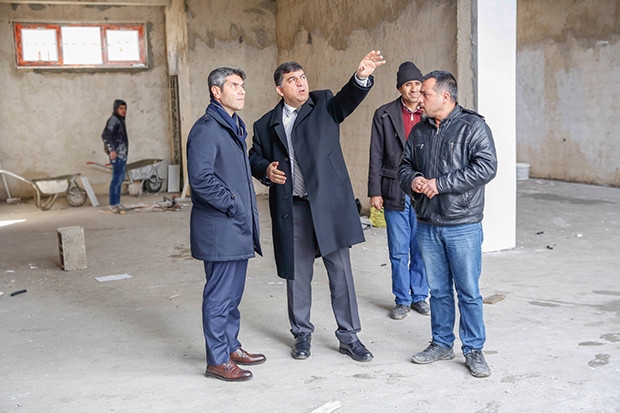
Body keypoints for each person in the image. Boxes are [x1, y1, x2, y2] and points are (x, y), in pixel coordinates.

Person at [249, 51, 386, 362]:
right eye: (292, 80)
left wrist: (361, 76)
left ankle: (349, 337)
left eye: (303, 77)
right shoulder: (265, 124)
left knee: (340, 272)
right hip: (293, 208)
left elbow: (348, 99)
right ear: (279, 89)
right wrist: (265, 169)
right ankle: (301, 334)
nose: (301, 83)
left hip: (328, 205)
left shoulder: (323, 103)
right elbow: (254, 156)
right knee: (297, 275)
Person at [398, 70, 497, 378]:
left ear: (445, 96)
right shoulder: (420, 130)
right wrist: (414, 181)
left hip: (462, 222)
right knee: (439, 290)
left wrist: (440, 184)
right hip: (428, 222)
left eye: (425, 93)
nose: (419, 98)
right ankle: (441, 344)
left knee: (468, 291)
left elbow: (487, 167)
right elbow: (404, 167)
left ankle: (474, 349)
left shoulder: (473, 126)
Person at [187, 67, 265, 382]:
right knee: (219, 296)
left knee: (232, 295)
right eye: (234, 85)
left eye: (242, 85)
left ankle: (231, 346)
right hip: (221, 228)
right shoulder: (207, 130)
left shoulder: (232, 127)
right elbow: (201, 180)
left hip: (236, 226)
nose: (241, 90)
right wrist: (233, 203)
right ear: (216, 92)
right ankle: (217, 360)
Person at [367, 61, 429, 320]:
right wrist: (375, 191)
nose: (413, 89)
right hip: (394, 187)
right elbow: (376, 154)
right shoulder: (384, 114)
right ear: (399, 88)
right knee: (398, 250)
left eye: (417, 84)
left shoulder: (430, 111)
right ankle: (402, 299)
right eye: (408, 84)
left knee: (421, 248)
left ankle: (419, 296)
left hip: (424, 189)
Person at [101, 99, 128, 209]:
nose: (124, 111)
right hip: (117, 155)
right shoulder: (114, 120)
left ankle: (117, 203)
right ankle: (113, 204)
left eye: (125, 108)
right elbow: (105, 135)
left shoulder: (120, 120)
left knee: (119, 179)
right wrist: (111, 150)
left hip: (122, 155)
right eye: (121, 108)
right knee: (116, 179)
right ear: (116, 109)